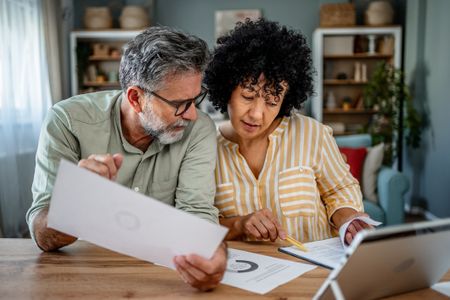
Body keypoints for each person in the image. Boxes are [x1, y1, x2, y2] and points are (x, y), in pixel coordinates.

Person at [26, 26, 226, 291]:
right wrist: (77, 203)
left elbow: (197, 212)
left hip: (165, 278)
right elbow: (42, 235)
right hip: (81, 274)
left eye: (195, 99)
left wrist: (215, 252)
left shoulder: (198, 129)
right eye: (180, 104)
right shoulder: (67, 122)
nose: (191, 114)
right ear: (136, 98)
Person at [205, 19, 373, 245]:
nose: (257, 114)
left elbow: (340, 190)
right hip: (243, 275)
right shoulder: (205, 148)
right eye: (248, 96)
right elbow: (199, 221)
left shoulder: (313, 135)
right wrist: (239, 224)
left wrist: (347, 219)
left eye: (272, 102)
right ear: (226, 89)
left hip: (312, 273)